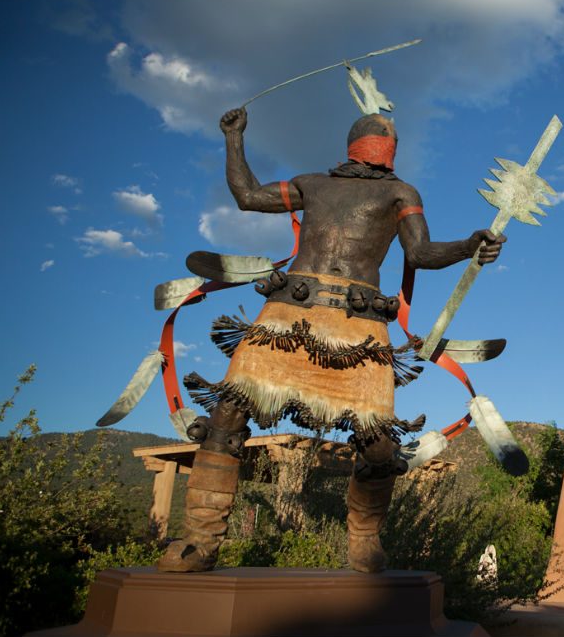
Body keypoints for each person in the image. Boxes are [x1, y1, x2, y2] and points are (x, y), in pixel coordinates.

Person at [157, 107, 505, 573]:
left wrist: (468, 246)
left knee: (378, 443)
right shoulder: (312, 184)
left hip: (358, 326)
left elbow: (419, 253)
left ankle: (364, 540)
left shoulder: (400, 193)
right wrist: (234, 137)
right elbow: (247, 195)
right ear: (362, 140)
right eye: (383, 133)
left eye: (391, 136)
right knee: (227, 415)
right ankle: (200, 541)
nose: (386, 138)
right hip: (288, 314)